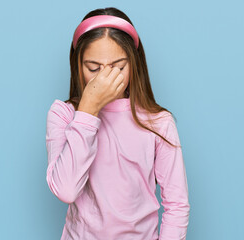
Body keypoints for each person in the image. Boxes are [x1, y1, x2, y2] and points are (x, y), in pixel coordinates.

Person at [45, 7, 190, 240]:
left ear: (134, 63)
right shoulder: (63, 114)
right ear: (77, 65)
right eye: (93, 68)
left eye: (118, 67)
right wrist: (89, 109)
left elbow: (177, 205)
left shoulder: (158, 122)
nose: (105, 78)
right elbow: (66, 190)